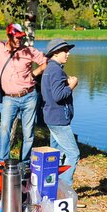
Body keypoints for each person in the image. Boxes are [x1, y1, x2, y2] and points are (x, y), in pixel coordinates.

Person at [0, 13, 47, 163]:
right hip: (9, 99)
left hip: (29, 97)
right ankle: (2, 161)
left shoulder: (28, 51)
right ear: (9, 36)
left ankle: (24, 162)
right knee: (4, 129)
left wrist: (35, 73)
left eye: (22, 37)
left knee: (28, 133)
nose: (20, 40)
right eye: (18, 37)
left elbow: (46, 62)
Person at [41, 39, 80, 184]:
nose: (68, 54)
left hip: (52, 117)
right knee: (73, 154)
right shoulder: (56, 71)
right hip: (58, 119)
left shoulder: (49, 70)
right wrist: (71, 86)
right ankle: (64, 189)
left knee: (55, 155)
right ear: (56, 53)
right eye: (65, 51)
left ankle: (51, 186)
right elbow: (58, 96)